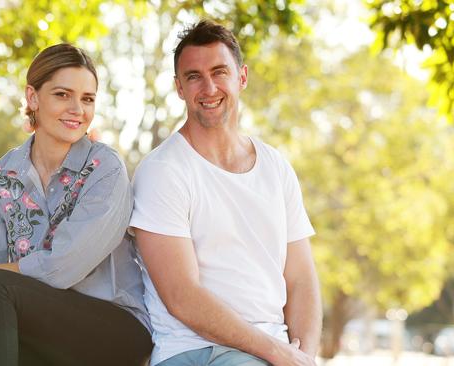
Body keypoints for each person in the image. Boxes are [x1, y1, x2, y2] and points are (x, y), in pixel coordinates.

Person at [0, 43, 152, 366]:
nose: (78, 109)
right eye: (63, 94)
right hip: (37, 331)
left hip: (114, 333)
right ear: (33, 98)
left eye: (87, 99)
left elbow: (62, 268)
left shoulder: (104, 168)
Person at [130, 20, 322, 366]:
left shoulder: (276, 168)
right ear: (179, 87)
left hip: (270, 353)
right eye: (193, 76)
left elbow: (302, 279)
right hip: (194, 351)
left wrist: (303, 357)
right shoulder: (163, 171)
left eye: (220, 72)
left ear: (242, 77)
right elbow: (182, 297)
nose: (209, 87)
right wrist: (276, 353)